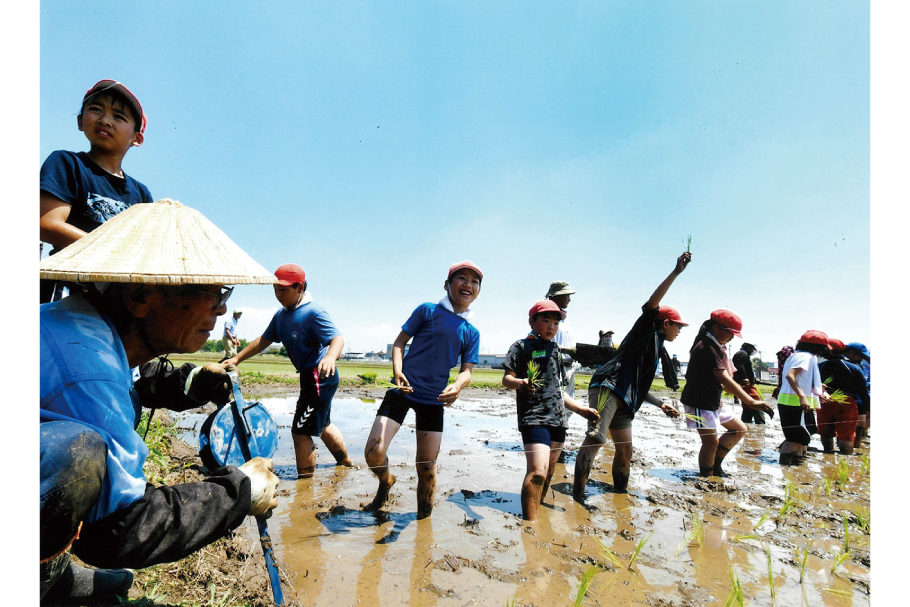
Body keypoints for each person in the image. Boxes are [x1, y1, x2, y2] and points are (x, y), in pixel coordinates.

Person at [40, 199, 280, 602]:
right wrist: (240, 491)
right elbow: (120, 527)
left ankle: (49, 568)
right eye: (212, 293)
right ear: (139, 297)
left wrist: (195, 381)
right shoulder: (88, 372)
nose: (222, 308)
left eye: (224, 292)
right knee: (73, 453)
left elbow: (135, 377)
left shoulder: (83, 325)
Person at [363, 261, 483, 518]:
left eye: (474, 281)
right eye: (461, 278)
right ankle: (386, 481)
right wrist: (398, 372)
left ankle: (423, 525)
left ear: (478, 291)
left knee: (427, 468)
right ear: (447, 285)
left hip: (434, 399)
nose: (468, 284)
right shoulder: (428, 310)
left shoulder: (471, 332)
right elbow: (399, 343)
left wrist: (458, 385)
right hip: (402, 391)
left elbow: (467, 370)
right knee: (374, 453)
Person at [573, 252, 690, 501]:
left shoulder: (658, 346)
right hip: (608, 387)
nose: (680, 330)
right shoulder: (646, 331)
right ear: (666, 323)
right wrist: (676, 272)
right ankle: (578, 495)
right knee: (595, 440)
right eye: (678, 325)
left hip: (624, 396)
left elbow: (636, 386)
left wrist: (661, 404)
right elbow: (651, 305)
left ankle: (620, 494)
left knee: (625, 450)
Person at [226, 264, 353, 478]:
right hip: (309, 376)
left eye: (283, 290)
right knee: (322, 424)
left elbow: (337, 338)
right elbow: (263, 341)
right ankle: (345, 464)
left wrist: (331, 357)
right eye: (275, 290)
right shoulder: (282, 315)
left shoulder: (313, 312)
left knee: (300, 431)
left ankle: (304, 483)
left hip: (319, 377)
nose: (278, 295)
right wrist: (237, 358)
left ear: (299, 287)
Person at [40, 79, 153, 303]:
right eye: (95, 109)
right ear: (81, 121)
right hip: (67, 290)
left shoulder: (142, 194)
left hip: (120, 299)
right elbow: (47, 224)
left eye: (119, 116)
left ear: (136, 138)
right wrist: (113, 253)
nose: (105, 120)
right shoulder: (66, 163)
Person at [502, 300, 600, 520]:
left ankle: (537, 517)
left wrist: (580, 409)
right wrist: (522, 382)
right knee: (537, 472)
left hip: (558, 418)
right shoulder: (520, 347)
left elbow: (558, 388)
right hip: (534, 416)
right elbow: (506, 379)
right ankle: (530, 525)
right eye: (545, 321)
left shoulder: (555, 349)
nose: (551, 326)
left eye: (555, 323)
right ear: (532, 321)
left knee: (547, 473)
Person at [680, 311, 773, 477]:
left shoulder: (715, 346)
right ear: (717, 327)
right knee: (710, 442)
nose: (732, 337)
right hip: (699, 400)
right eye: (731, 333)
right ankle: (707, 476)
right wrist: (750, 400)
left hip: (713, 399)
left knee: (739, 429)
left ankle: (715, 466)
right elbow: (722, 377)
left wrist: (741, 393)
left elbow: (726, 380)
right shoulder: (706, 346)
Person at [776, 331, 829, 466]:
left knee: (803, 435)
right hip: (795, 402)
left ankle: (797, 464)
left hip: (790, 400)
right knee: (796, 437)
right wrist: (802, 397)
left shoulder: (796, 356)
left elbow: (798, 377)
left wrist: (816, 386)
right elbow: (790, 376)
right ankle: (785, 467)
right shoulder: (806, 357)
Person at [818, 339, 869, 455]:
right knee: (846, 435)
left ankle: (827, 456)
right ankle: (846, 459)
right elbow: (863, 392)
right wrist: (868, 408)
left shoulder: (819, 366)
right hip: (846, 402)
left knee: (826, 432)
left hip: (824, 400)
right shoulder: (854, 367)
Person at [545, 281, 577, 397]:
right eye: (567, 296)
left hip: (568, 367)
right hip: (555, 367)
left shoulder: (564, 317)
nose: (569, 299)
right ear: (556, 296)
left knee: (567, 408)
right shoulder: (545, 317)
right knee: (556, 403)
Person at [843, 342, 871, 442]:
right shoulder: (851, 366)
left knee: (859, 428)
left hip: (861, 400)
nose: (861, 358)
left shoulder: (861, 366)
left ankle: (859, 447)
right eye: (861, 356)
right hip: (852, 400)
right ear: (851, 353)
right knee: (847, 429)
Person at [733, 343, 765, 424]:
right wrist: (744, 378)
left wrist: (753, 379)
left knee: (747, 404)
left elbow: (746, 368)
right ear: (748, 347)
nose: (753, 350)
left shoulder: (742, 354)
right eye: (752, 348)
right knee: (756, 401)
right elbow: (739, 366)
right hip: (745, 384)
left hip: (745, 383)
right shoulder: (742, 354)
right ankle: (760, 423)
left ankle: (746, 422)